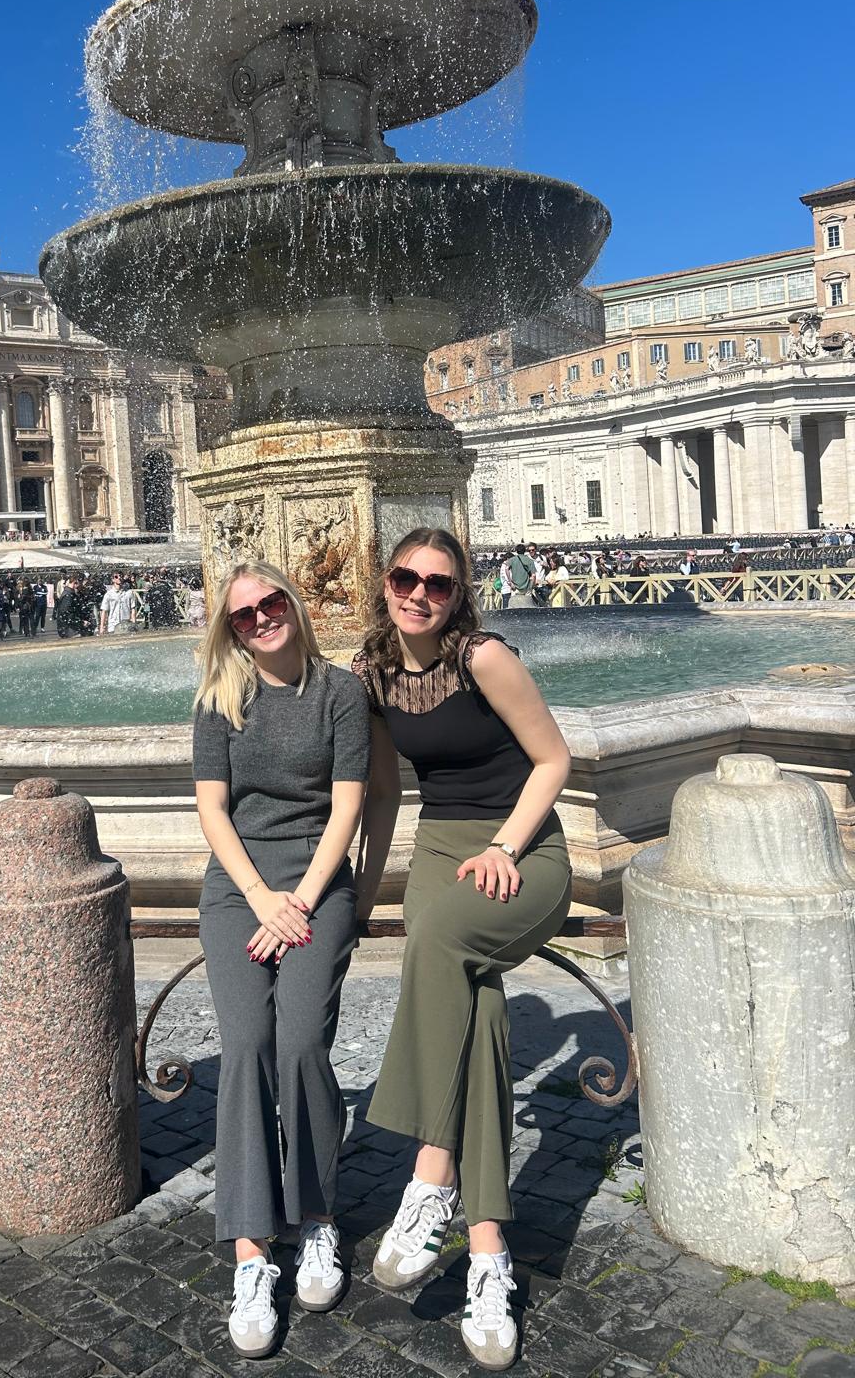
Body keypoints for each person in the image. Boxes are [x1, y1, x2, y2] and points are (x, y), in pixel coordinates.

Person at [351, 527, 572, 1371]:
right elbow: (381, 794)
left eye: (438, 584)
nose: (420, 594)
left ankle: (431, 1170)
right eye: (406, 578)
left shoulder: (484, 657)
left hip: (522, 846)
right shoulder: (370, 676)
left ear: (459, 594)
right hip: (440, 848)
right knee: (474, 1007)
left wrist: (507, 846)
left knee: (441, 942)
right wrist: (363, 893)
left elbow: (552, 760)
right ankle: (487, 1252)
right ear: (385, 582)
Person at [193, 563, 370, 1357]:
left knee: (299, 1042)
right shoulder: (219, 698)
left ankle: (318, 1216)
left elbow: (347, 809)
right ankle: (251, 1249)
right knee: (246, 1045)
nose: (262, 618)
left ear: (294, 606)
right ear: (230, 629)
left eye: (271, 604)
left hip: (317, 883)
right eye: (245, 615)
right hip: (240, 889)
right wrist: (263, 897)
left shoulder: (340, 693)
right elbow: (212, 810)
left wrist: (298, 899)